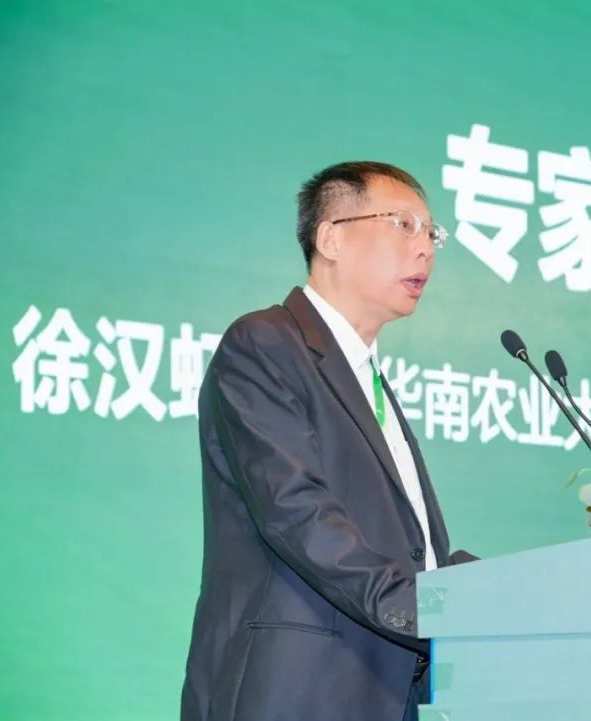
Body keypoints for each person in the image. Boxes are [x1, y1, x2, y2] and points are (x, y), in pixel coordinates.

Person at [181, 161, 468, 721]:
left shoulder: (365, 377)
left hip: (385, 694)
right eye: (403, 225)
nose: (425, 249)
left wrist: (489, 599)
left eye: (431, 234)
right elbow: (296, 511)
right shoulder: (265, 344)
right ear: (331, 238)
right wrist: (427, 614)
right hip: (295, 692)